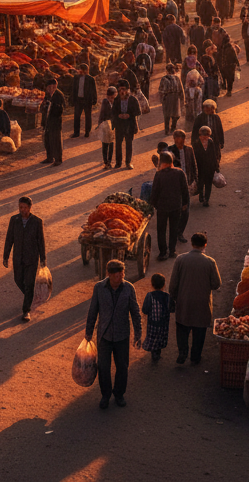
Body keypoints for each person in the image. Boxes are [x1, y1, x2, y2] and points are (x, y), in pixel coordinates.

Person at [85, 259, 142, 409]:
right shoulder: (99, 288)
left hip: (122, 335)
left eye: (122, 275)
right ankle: (105, 395)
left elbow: (135, 312)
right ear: (109, 275)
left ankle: (119, 394)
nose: (120, 278)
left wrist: (138, 333)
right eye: (117, 276)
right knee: (103, 367)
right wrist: (88, 333)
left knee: (122, 367)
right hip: (104, 335)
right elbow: (93, 310)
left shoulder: (129, 288)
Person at [170, 232, 222, 364]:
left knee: (182, 328)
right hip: (202, 304)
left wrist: (174, 298)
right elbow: (216, 284)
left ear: (192, 244)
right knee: (199, 331)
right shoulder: (210, 262)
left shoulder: (180, 259)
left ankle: (182, 352)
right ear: (205, 245)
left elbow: (173, 284)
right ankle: (195, 356)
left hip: (184, 302)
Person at [2, 196, 47, 322]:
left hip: (32, 258)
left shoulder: (37, 222)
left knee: (29, 283)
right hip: (18, 257)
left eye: (25, 207)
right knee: (18, 279)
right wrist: (5, 256)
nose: (23, 210)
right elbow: (9, 238)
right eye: (21, 207)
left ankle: (26, 310)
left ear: (30, 207)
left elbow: (41, 241)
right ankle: (31, 296)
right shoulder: (14, 220)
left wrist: (43, 258)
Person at [149, 151, 189, 261]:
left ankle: (163, 252)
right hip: (176, 206)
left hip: (162, 207)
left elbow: (155, 191)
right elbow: (185, 190)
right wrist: (185, 203)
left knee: (161, 229)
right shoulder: (179, 173)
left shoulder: (159, 174)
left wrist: (152, 205)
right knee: (174, 228)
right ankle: (172, 251)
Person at [168, 129, 197, 241]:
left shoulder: (189, 150)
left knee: (186, 211)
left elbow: (194, 165)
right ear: (174, 139)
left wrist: (195, 180)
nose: (180, 142)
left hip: (187, 184)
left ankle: (180, 232)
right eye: (178, 140)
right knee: (176, 210)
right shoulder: (169, 151)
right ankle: (174, 232)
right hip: (174, 185)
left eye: (182, 140)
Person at [141, 272, 172, 365]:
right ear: (164, 284)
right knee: (161, 338)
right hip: (163, 324)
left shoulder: (149, 296)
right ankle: (158, 352)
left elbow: (145, 310)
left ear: (152, 284)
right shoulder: (167, 296)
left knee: (153, 337)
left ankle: (154, 353)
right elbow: (172, 308)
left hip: (152, 323)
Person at [110, 80, 140, 170]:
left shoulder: (133, 100)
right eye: (120, 90)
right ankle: (118, 163)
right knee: (118, 144)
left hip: (129, 124)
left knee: (129, 144)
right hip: (119, 124)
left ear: (127, 90)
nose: (122, 92)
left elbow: (138, 111)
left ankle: (128, 162)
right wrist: (118, 115)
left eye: (123, 89)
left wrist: (129, 115)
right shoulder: (116, 100)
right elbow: (113, 112)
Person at [39, 78, 65, 166]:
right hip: (47, 121)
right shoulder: (47, 95)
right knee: (47, 140)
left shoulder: (59, 95)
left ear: (55, 86)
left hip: (55, 122)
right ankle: (49, 157)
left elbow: (60, 110)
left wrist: (53, 107)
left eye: (51, 87)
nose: (49, 89)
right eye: (48, 88)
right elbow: (43, 107)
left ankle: (58, 159)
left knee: (56, 140)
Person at [70, 63, 98, 139]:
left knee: (88, 116)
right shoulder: (76, 78)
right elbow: (73, 90)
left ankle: (87, 132)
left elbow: (94, 90)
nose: (81, 71)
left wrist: (94, 99)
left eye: (82, 70)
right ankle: (76, 132)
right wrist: (72, 99)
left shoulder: (91, 79)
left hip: (87, 100)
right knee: (76, 116)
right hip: (78, 100)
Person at [158, 63, 184, 136]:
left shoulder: (164, 79)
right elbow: (181, 89)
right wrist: (182, 99)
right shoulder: (177, 78)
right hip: (175, 97)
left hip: (168, 97)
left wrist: (162, 99)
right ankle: (173, 128)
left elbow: (161, 90)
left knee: (167, 115)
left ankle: (167, 130)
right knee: (175, 114)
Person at [99, 85, 117, 168]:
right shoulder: (105, 102)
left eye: (113, 98)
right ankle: (105, 161)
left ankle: (109, 160)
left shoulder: (117, 102)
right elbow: (102, 114)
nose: (111, 100)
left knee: (111, 143)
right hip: (106, 125)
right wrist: (100, 124)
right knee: (105, 143)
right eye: (110, 98)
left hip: (113, 125)